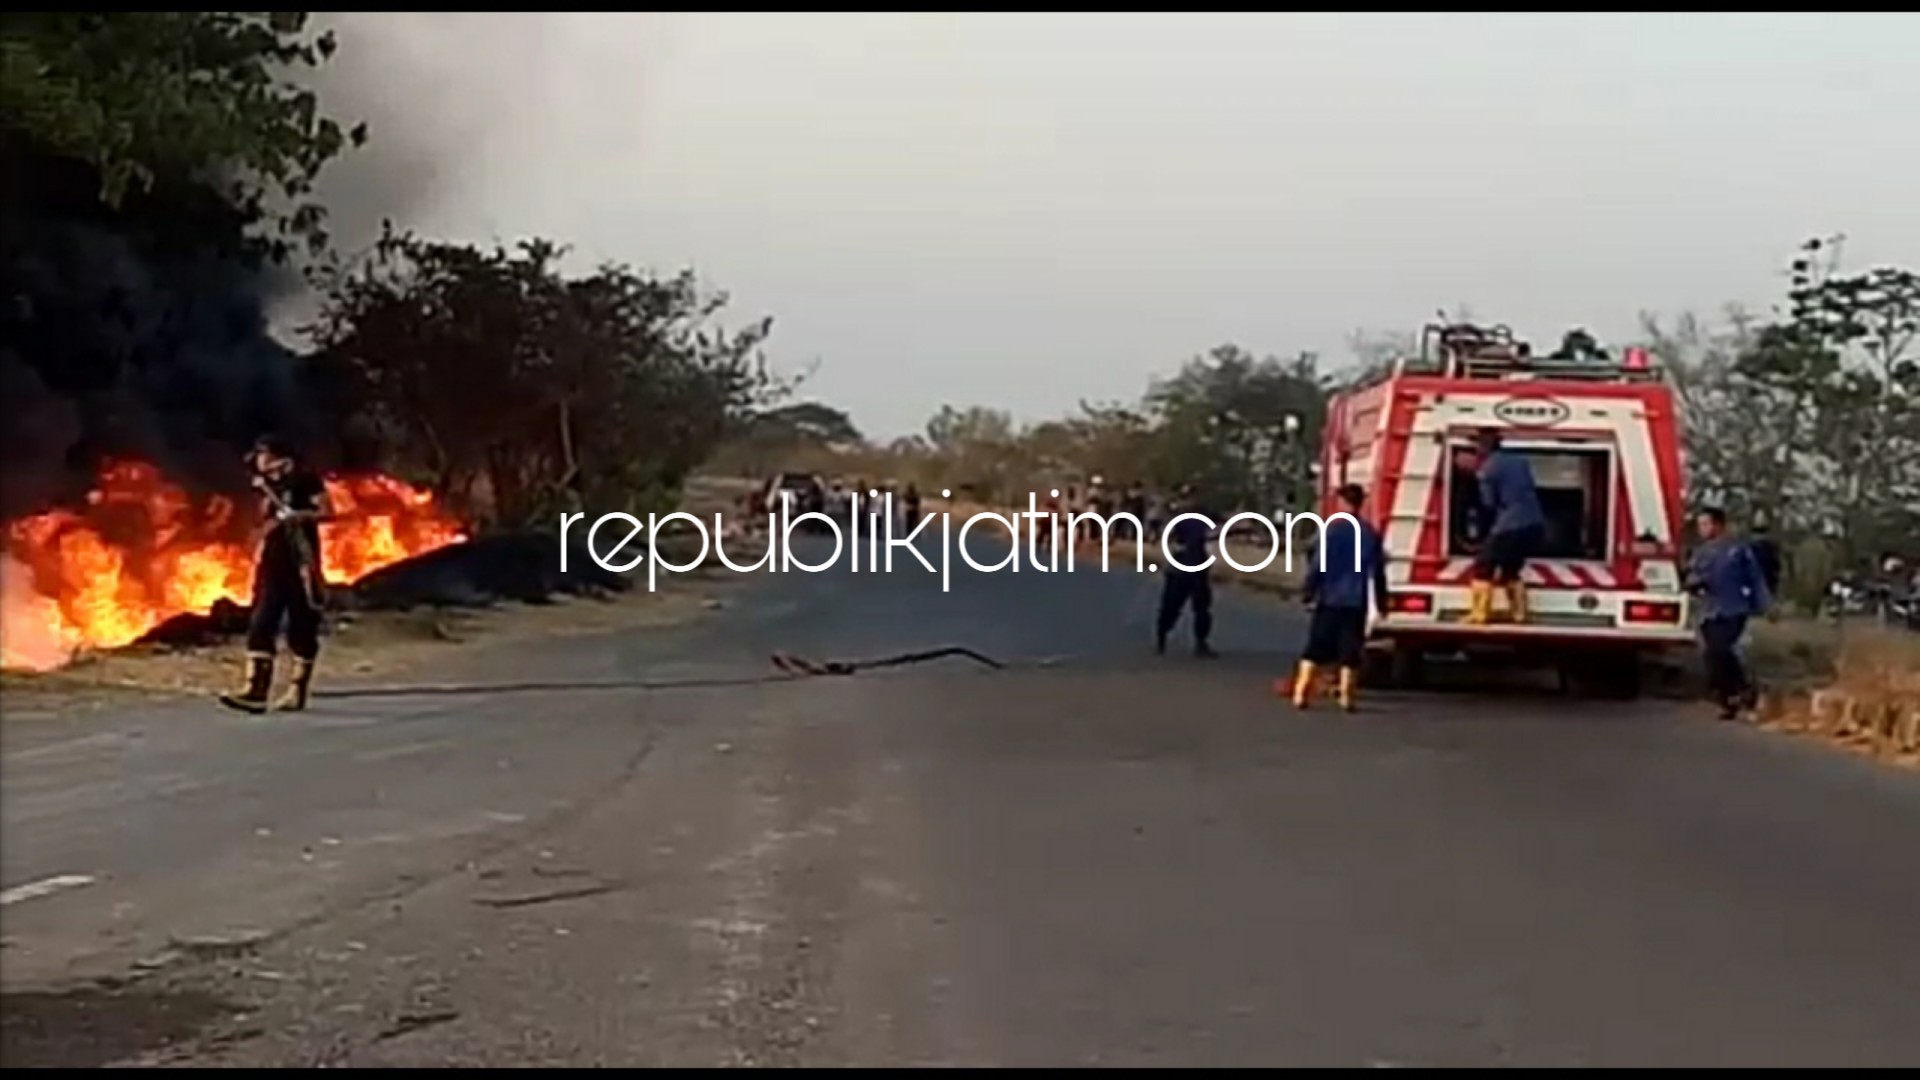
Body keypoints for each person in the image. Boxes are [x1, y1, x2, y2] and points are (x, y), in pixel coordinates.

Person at [219, 435, 332, 714]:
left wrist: (299, 516)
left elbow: (328, 512)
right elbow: (263, 522)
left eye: (264, 455)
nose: (260, 461)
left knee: (301, 626)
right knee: (261, 621)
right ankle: (255, 690)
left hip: (301, 561)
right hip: (272, 562)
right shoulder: (267, 487)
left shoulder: (306, 480)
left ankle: (297, 689)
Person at [1289, 484, 1389, 712]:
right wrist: (1382, 601)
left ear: (1342, 503)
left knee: (1316, 647)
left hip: (1329, 598)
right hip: (1355, 601)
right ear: (1361, 504)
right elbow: (1378, 571)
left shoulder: (1330, 532)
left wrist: (1308, 590)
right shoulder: (1369, 534)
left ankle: (1301, 692)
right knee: (1350, 650)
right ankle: (1347, 696)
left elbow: (1317, 564)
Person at [1685, 506, 1771, 720]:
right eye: (1700, 525)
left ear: (1718, 525)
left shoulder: (1737, 550)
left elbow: (1754, 578)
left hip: (1734, 607)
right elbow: (1692, 577)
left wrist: (1763, 605)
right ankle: (1728, 696)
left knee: (1722, 648)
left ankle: (1743, 688)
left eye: (1706, 524)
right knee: (1712, 655)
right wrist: (1693, 584)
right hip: (1709, 610)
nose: (1702, 529)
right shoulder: (1700, 553)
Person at [1465, 428, 1544, 625]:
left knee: (1483, 566)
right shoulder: (1519, 462)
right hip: (1535, 523)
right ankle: (1519, 614)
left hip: (1510, 524)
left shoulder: (1487, 469)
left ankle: (1479, 614)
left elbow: (1488, 504)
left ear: (1483, 447)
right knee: (1510, 569)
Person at [1155, 484, 1217, 658]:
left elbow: (1214, 531)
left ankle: (1201, 642)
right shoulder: (1177, 517)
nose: (1192, 501)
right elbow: (1168, 537)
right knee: (1171, 606)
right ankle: (1162, 636)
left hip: (1198, 566)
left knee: (1202, 607)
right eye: (1188, 497)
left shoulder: (1204, 515)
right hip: (1180, 568)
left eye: (1194, 497)